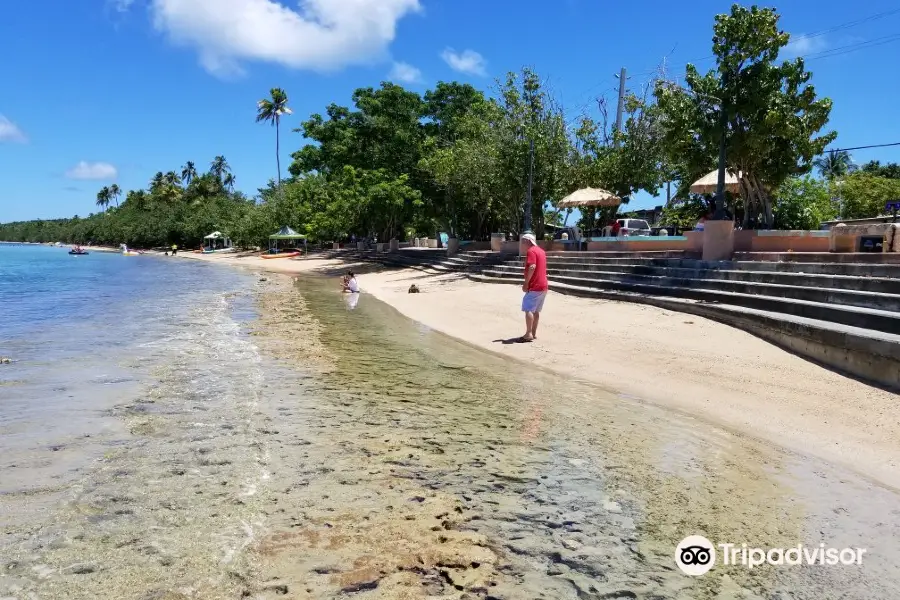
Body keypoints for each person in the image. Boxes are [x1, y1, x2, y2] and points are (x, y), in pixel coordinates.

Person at [519, 233, 548, 342]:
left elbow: (532, 266)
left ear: (528, 241)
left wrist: (526, 283)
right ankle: (533, 333)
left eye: (523, 241)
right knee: (536, 311)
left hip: (535, 285)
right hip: (543, 285)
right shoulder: (541, 251)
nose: (521, 244)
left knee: (528, 309)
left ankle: (528, 334)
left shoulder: (531, 251)